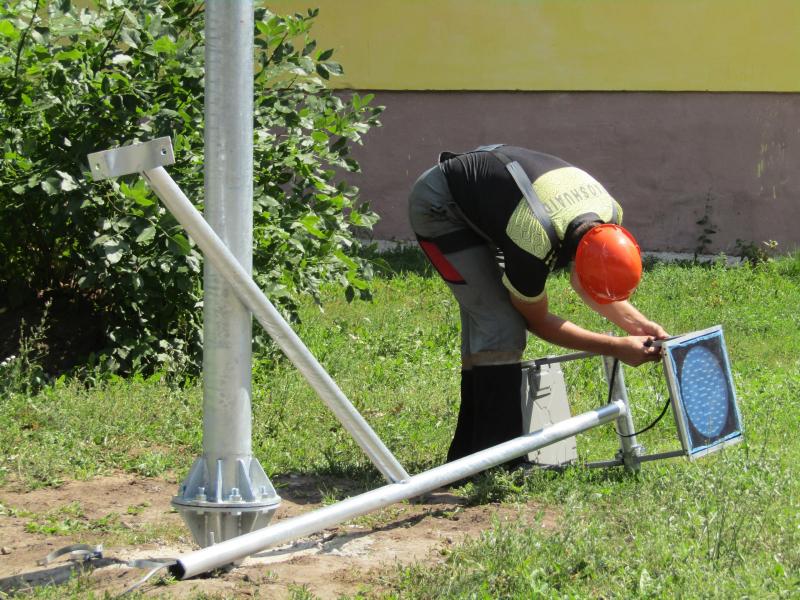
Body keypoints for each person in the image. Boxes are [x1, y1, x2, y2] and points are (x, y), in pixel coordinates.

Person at [407, 145, 668, 462]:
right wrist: (615, 347)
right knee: (501, 324)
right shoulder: (534, 240)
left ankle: (468, 455)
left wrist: (640, 326)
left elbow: (588, 282)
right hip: (440, 205)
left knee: (489, 320)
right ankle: (494, 462)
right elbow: (537, 320)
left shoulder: (610, 214)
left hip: (498, 195)